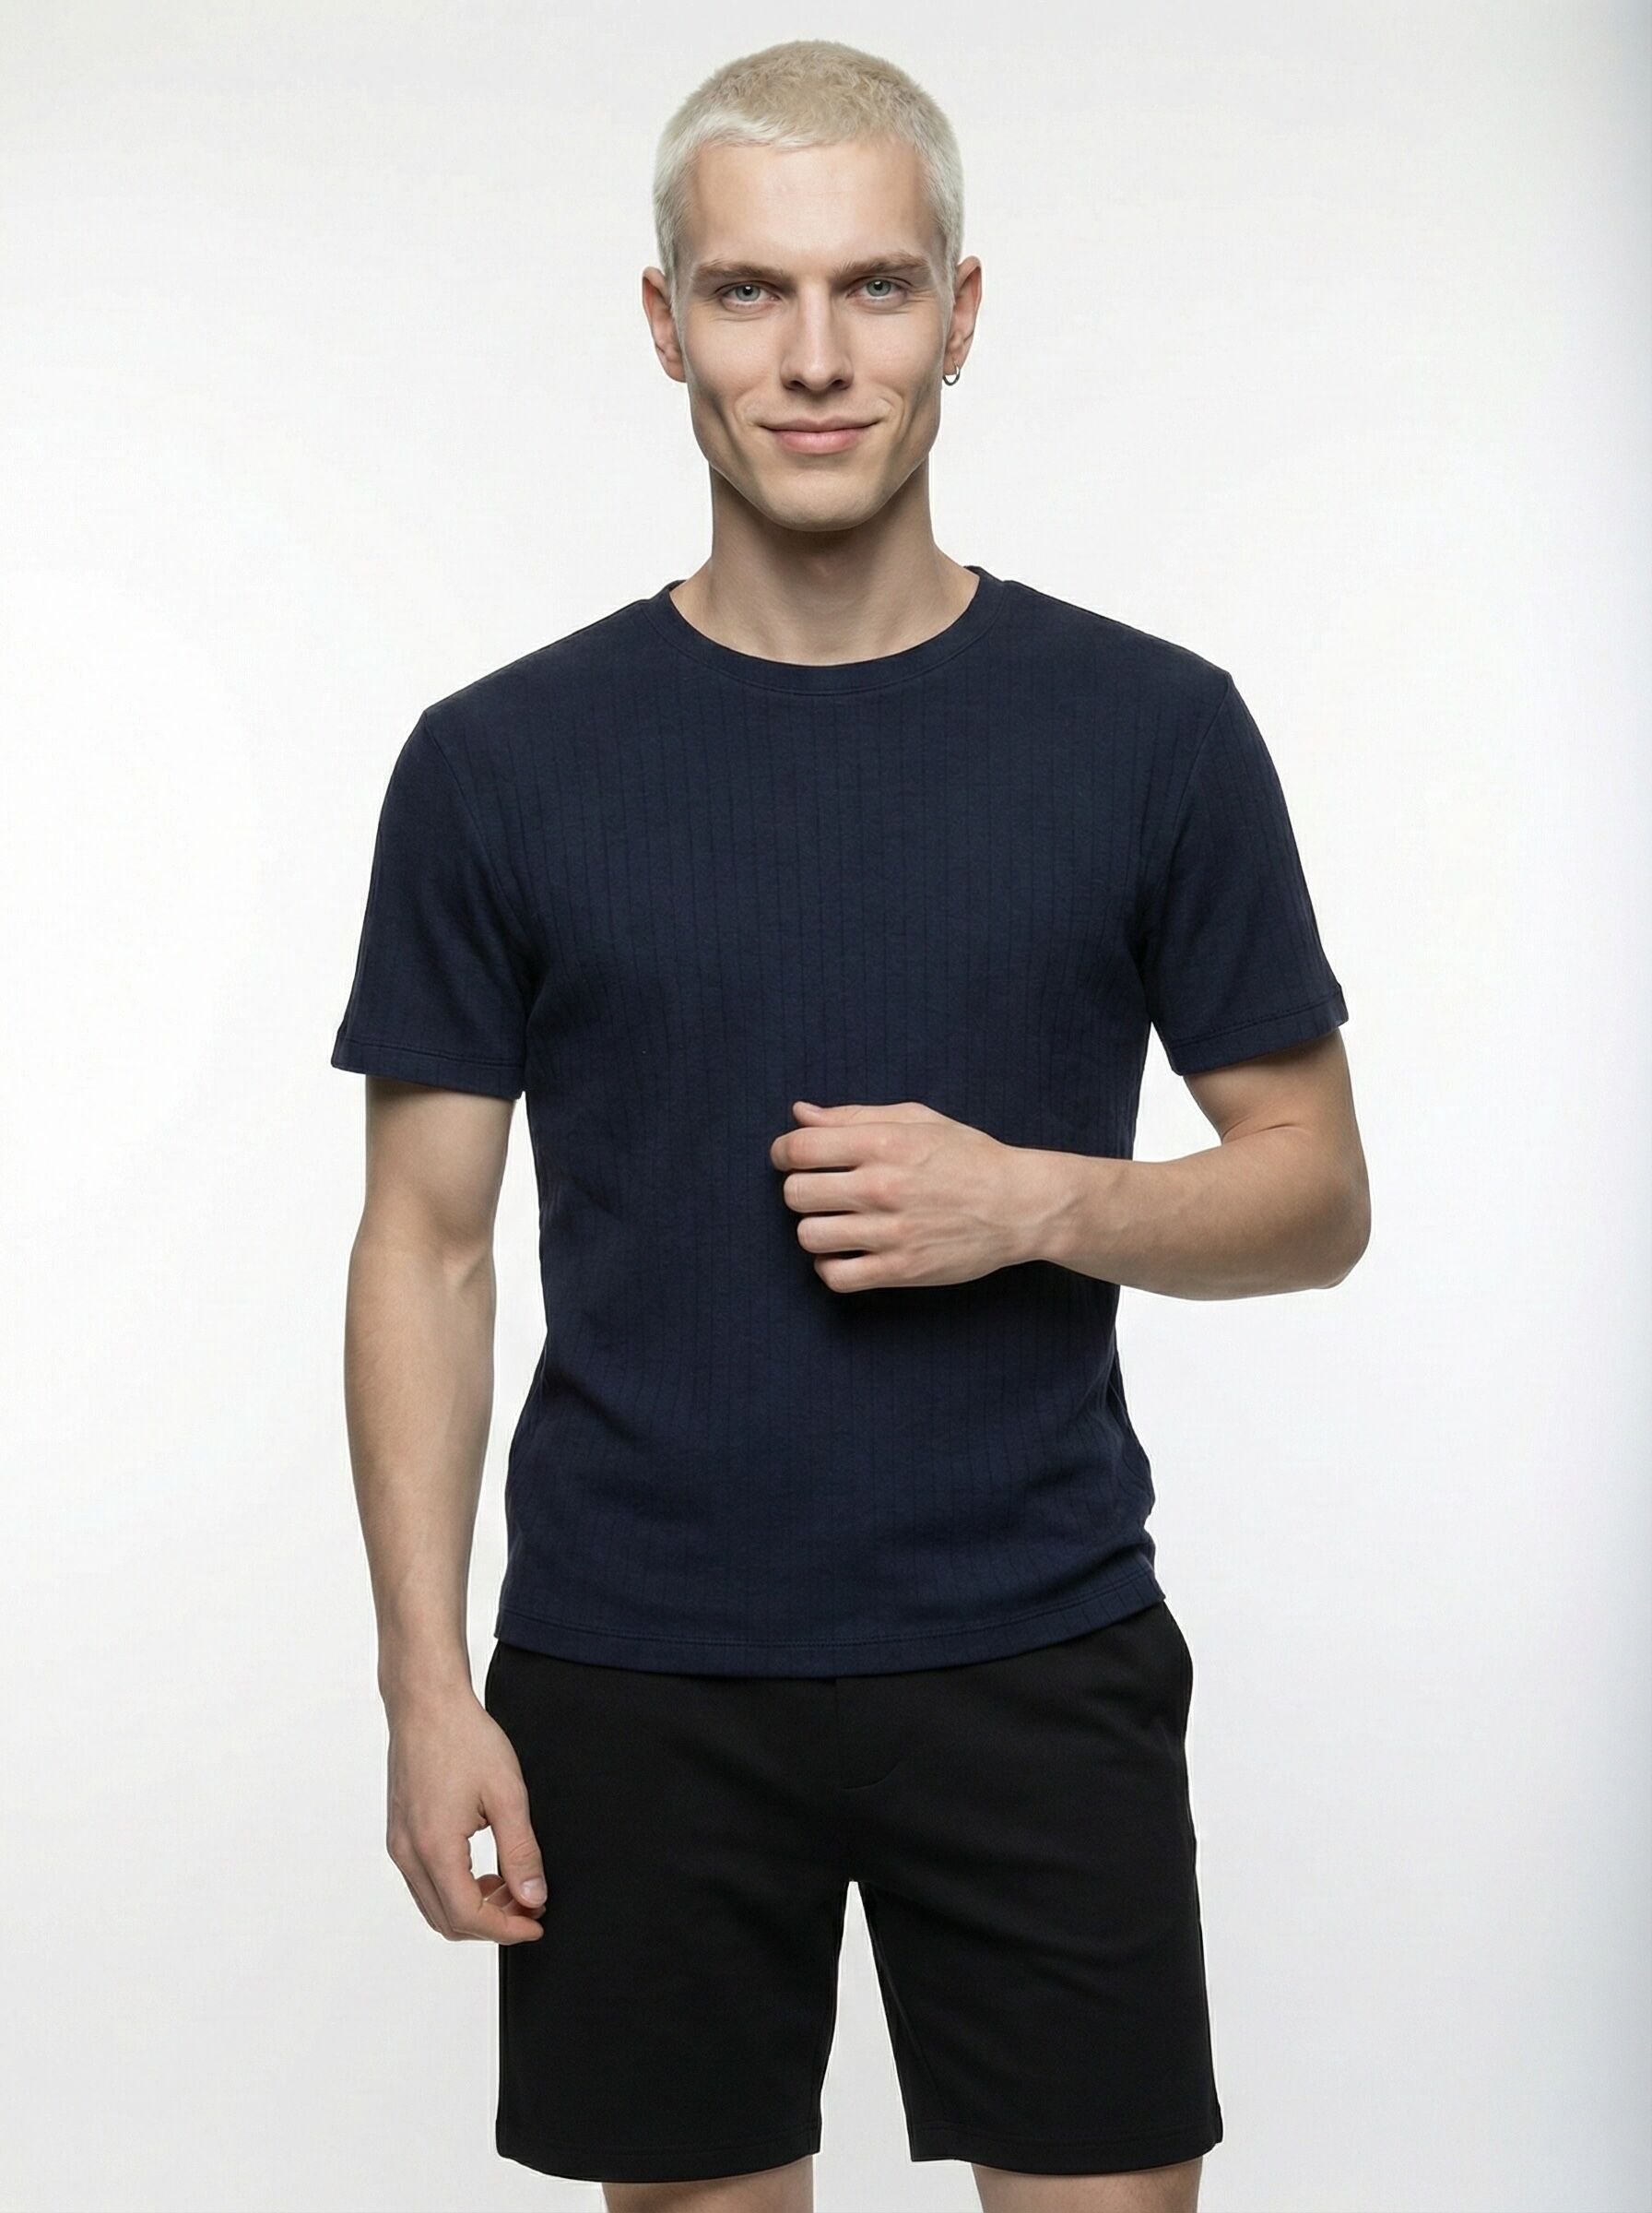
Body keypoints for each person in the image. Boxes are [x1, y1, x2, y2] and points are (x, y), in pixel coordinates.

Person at [330, 36, 1368, 2213]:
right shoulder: (496, 766)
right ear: (664, 322)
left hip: (1036, 1641)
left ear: (957, 312)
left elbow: (1313, 1195)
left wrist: (1034, 1201)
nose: (813, 358)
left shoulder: (1152, 733)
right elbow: (424, 1243)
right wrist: (426, 1689)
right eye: (749, 292)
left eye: (873, 287)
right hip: (631, 1670)